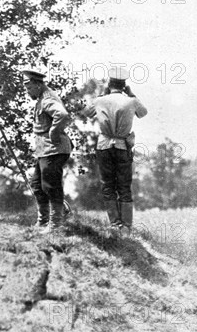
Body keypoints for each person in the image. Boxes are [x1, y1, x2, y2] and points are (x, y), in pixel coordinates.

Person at [87, 67, 148, 233]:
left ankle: (115, 224)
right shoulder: (131, 101)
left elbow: (86, 112)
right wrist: (132, 94)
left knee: (108, 185)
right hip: (122, 146)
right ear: (124, 85)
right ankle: (127, 226)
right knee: (124, 186)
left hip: (104, 146)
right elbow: (143, 113)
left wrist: (101, 96)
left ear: (109, 83)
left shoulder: (100, 100)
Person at [21, 69, 73, 230]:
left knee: (50, 185)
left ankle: (56, 223)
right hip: (44, 149)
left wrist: (53, 131)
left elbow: (62, 115)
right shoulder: (42, 98)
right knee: (36, 184)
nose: (27, 92)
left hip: (54, 149)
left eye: (29, 88)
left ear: (37, 85)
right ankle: (43, 221)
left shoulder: (47, 99)